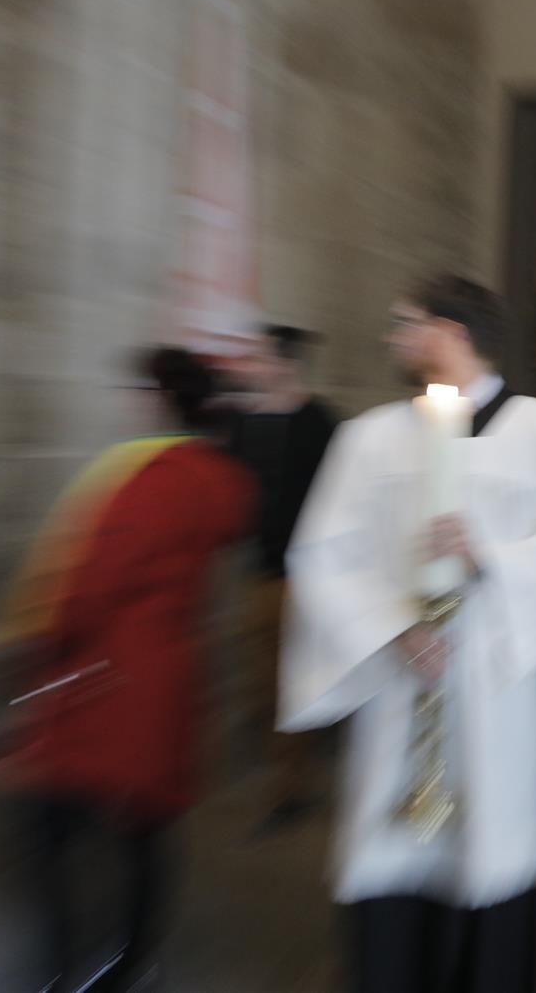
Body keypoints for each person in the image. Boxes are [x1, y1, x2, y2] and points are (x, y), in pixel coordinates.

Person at [281, 276, 536, 993]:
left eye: (407, 322)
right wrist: (392, 629)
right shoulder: (368, 442)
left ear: (453, 332)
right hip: (400, 699)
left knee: (491, 869)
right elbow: (323, 556)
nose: (394, 338)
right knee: (394, 893)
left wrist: (490, 556)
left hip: (495, 700)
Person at [0, 347, 252, 993]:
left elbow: (92, 582)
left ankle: (65, 964)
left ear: (158, 398)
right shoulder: (214, 476)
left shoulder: (149, 477)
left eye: (138, 388)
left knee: (45, 825)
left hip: (106, 680)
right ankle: (132, 961)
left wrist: (42, 648)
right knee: (145, 832)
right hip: (167, 676)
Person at [225, 324, 338, 832]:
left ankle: (288, 788)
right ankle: (287, 775)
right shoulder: (245, 423)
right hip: (259, 573)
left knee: (292, 684)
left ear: (285, 363)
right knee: (263, 687)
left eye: (260, 356)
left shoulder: (320, 423)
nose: (252, 365)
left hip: (305, 576)